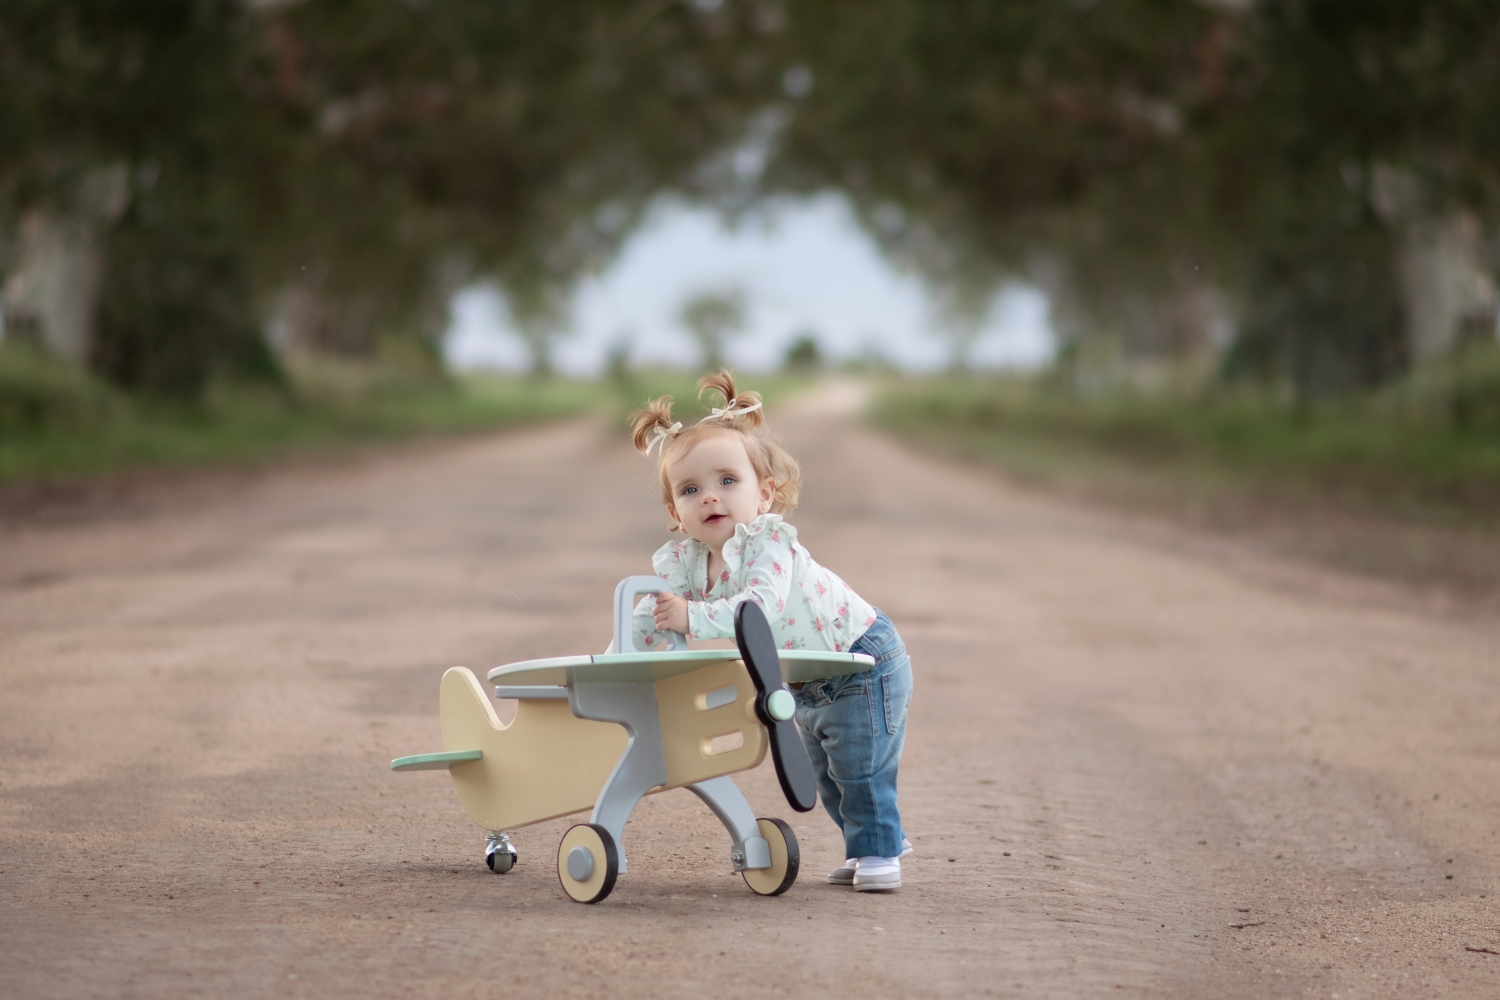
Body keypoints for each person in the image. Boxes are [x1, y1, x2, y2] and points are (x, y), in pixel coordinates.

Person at [629, 370, 914, 891]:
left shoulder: (768, 544)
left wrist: (693, 617)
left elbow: (759, 609)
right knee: (827, 776)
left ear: (764, 495)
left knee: (859, 768)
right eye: (691, 490)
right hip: (807, 676)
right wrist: (634, 644)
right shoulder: (689, 563)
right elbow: (659, 614)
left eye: (727, 481)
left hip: (861, 659)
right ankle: (865, 847)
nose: (709, 497)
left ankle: (880, 852)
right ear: (675, 512)